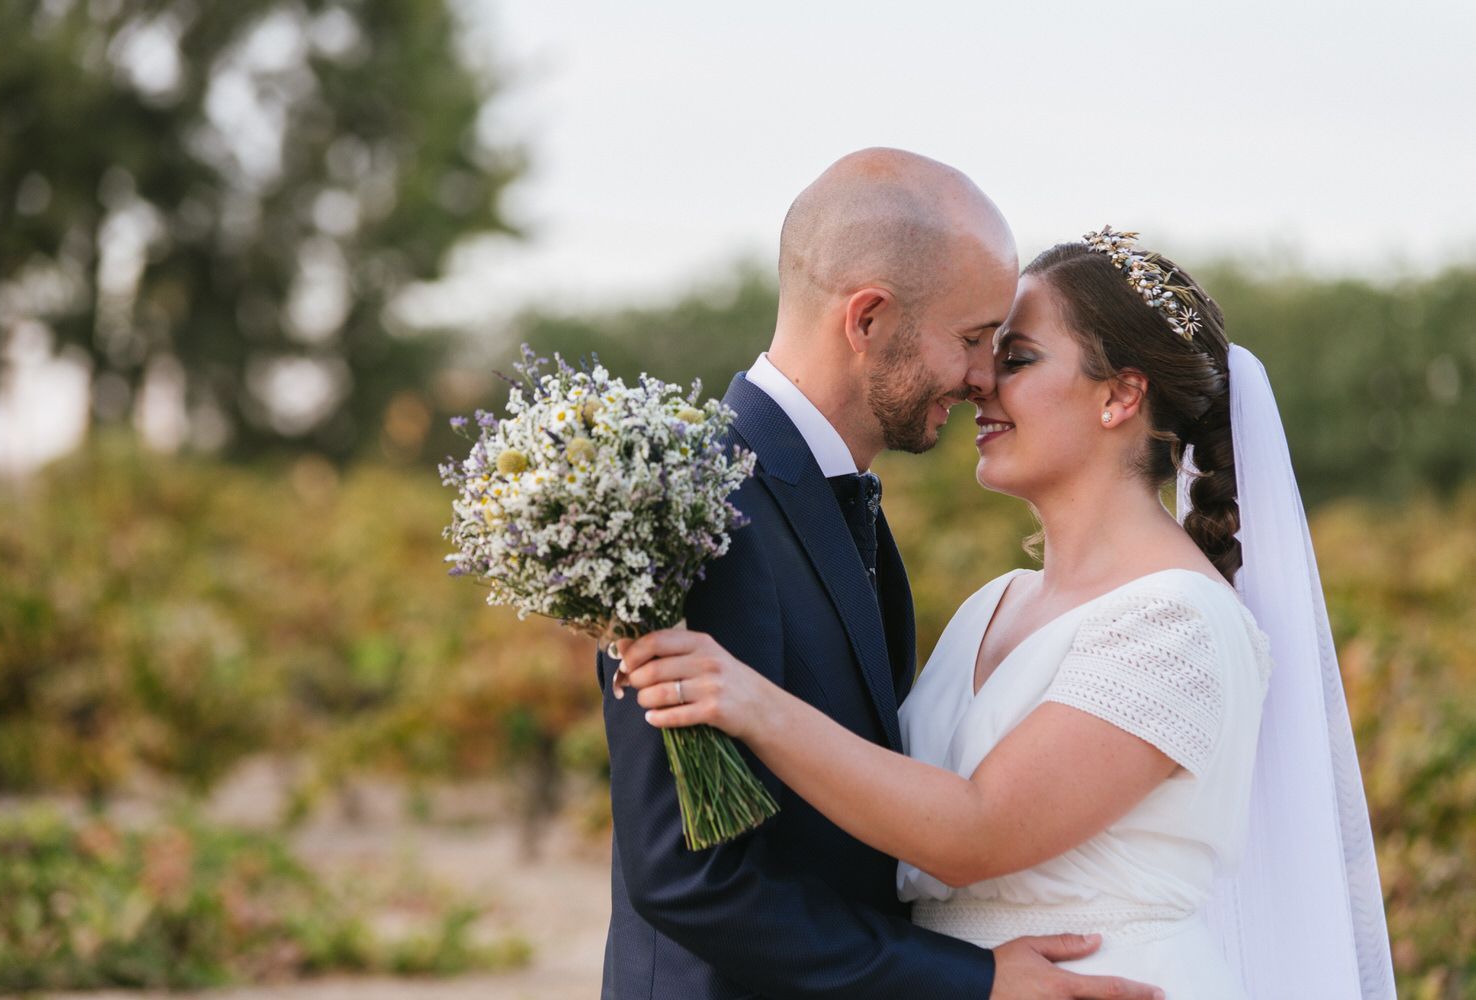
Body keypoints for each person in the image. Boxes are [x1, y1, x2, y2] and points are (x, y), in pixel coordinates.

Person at [619, 229, 1397, 997]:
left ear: (1121, 395)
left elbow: (976, 832)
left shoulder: (1179, 621)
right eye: (985, 351)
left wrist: (753, 702)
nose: (979, 382)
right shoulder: (993, 604)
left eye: (1017, 358)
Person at [597, 153, 1164, 999]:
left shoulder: (843, 503)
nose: (983, 382)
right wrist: (970, 982)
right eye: (973, 340)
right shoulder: (699, 505)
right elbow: (689, 878)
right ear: (866, 319)